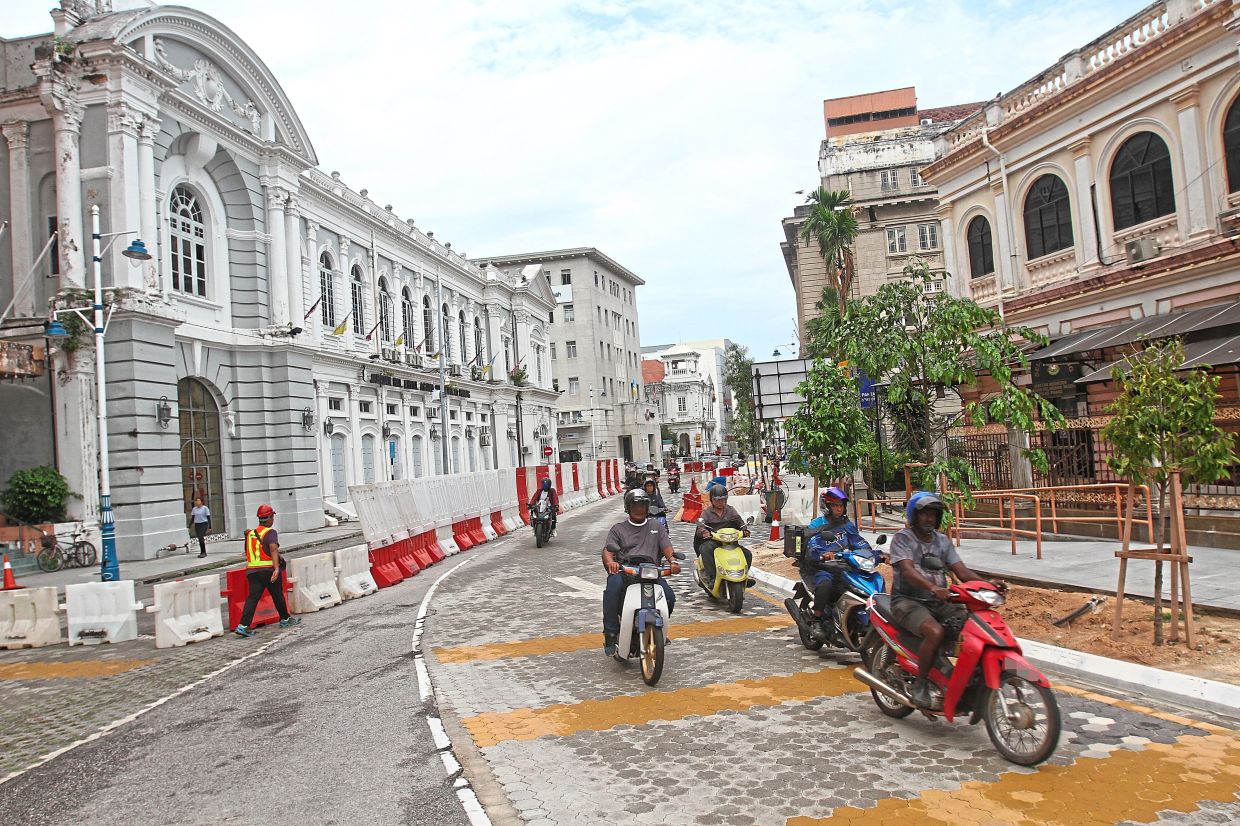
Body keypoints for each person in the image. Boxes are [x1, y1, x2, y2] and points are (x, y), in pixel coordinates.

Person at [889, 491, 1003, 708]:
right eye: (924, 514)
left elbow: (963, 572)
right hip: (907, 601)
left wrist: (989, 584)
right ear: (914, 516)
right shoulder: (903, 538)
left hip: (940, 601)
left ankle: (966, 677)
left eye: (934, 514)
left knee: (973, 627)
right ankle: (920, 684)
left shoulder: (942, 541)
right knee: (935, 631)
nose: (929, 518)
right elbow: (907, 570)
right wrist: (932, 586)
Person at [601, 489, 680, 656]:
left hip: (651, 572)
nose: (639, 509)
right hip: (626, 571)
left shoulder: (656, 527)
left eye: (642, 505)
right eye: (635, 505)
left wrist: (673, 562)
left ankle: (660, 632)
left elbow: (667, 548)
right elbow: (607, 550)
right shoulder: (618, 529)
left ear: (647, 507)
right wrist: (611, 563)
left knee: (669, 597)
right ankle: (611, 633)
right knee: (612, 590)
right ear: (628, 507)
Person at [804, 486, 873, 643]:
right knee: (826, 584)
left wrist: (875, 554)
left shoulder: (847, 525)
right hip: (822, 568)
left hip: (844, 566)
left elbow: (859, 542)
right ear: (827, 506)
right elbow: (811, 547)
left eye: (841, 506)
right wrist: (823, 555)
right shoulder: (817, 525)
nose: (838, 509)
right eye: (835, 505)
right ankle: (817, 620)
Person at [234, 504, 301, 637]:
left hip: (252, 571)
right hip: (267, 570)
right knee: (277, 595)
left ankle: (243, 625)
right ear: (269, 518)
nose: (273, 520)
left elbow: (250, 550)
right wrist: (276, 569)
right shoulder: (270, 532)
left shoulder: (251, 534)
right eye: (272, 517)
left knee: (252, 598)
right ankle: (285, 619)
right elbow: (273, 549)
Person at [694, 483, 752, 584]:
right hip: (714, 541)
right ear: (712, 500)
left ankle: (743, 577)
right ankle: (710, 577)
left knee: (747, 554)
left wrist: (744, 530)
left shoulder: (731, 510)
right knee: (706, 549)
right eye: (718, 500)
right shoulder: (706, 512)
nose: (721, 502)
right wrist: (705, 532)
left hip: (730, 542)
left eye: (724, 499)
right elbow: (700, 527)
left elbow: (740, 522)